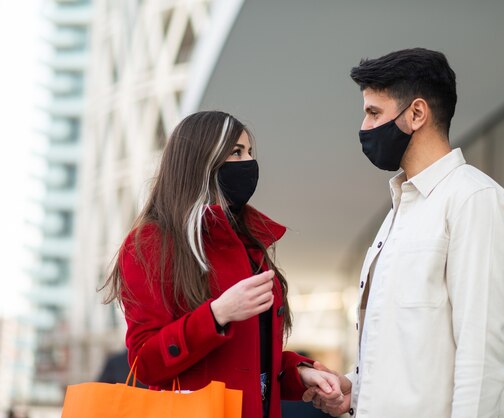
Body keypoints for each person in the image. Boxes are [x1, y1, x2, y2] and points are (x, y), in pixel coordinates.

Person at [304, 48, 504, 417]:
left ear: (417, 113)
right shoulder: (396, 215)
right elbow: (409, 351)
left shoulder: (474, 200)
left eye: (374, 112)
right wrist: (354, 391)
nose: (364, 127)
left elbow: (483, 354)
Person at [101, 111, 343, 418]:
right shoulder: (151, 243)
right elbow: (145, 363)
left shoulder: (249, 243)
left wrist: (299, 373)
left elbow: (250, 359)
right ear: (203, 162)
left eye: (250, 152)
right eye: (237, 152)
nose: (249, 162)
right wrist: (217, 315)